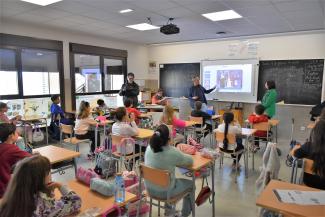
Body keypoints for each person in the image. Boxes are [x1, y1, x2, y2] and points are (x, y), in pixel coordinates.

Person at [0, 155, 82, 216]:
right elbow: (76, 202)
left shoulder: (11, 197)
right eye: (48, 172)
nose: (50, 175)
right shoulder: (43, 204)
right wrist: (59, 185)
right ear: (40, 178)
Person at [144, 124, 194, 217]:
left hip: (149, 189)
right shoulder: (172, 153)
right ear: (169, 139)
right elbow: (190, 161)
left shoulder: (148, 148)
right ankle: (184, 214)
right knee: (191, 185)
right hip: (165, 193)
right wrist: (177, 150)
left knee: (169, 179)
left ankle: (169, 211)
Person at [292, 120, 325, 190]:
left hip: (309, 183)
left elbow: (295, 154)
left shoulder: (308, 146)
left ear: (315, 133)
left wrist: (299, 146)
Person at [0, 123, 31, 198]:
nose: (18, 133)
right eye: (16, 132)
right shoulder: (11, 149)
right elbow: (31, 158)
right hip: (4, 189)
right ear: (11, 136)